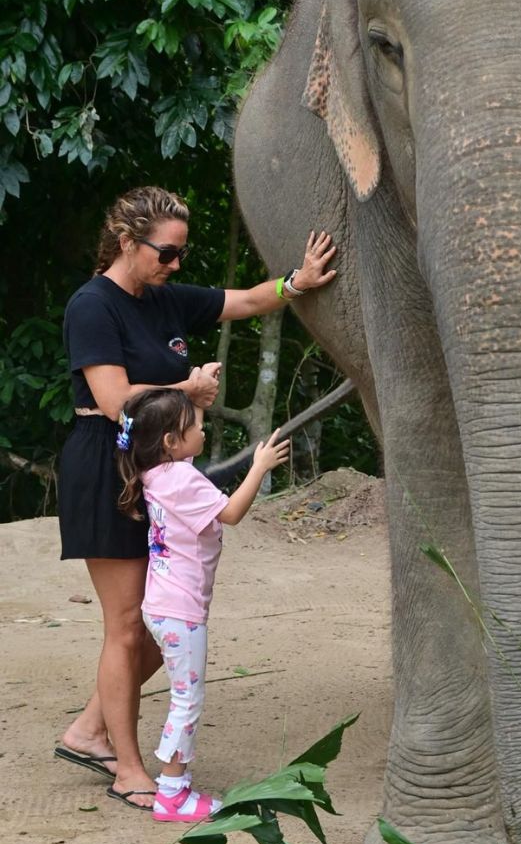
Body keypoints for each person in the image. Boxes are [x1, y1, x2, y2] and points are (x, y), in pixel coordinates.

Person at [55, 185, 335, 811]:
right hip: (106, 467)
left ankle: (87, 729)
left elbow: (249, 300)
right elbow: (113, 399)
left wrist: (299, 281)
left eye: (181, 254)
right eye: (166, 253)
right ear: (127, 241)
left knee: (157, 624)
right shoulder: (92, 306)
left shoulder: (163, 298)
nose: (176, 265)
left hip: (149, 473)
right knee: (128, 625)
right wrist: (187, 387)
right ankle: (129, 769)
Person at [113, 387, 289, 819]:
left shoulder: (159, 470)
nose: (203, 429)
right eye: (194, 426)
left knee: (184, 694)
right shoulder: (181, 478)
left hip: (164, 604)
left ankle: (175, 786)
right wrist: (258, 466)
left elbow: (185, 453)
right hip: (182, 609)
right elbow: (229, 513)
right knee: (187, 698)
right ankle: (173, 792)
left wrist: (195, 402)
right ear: (171, 442)